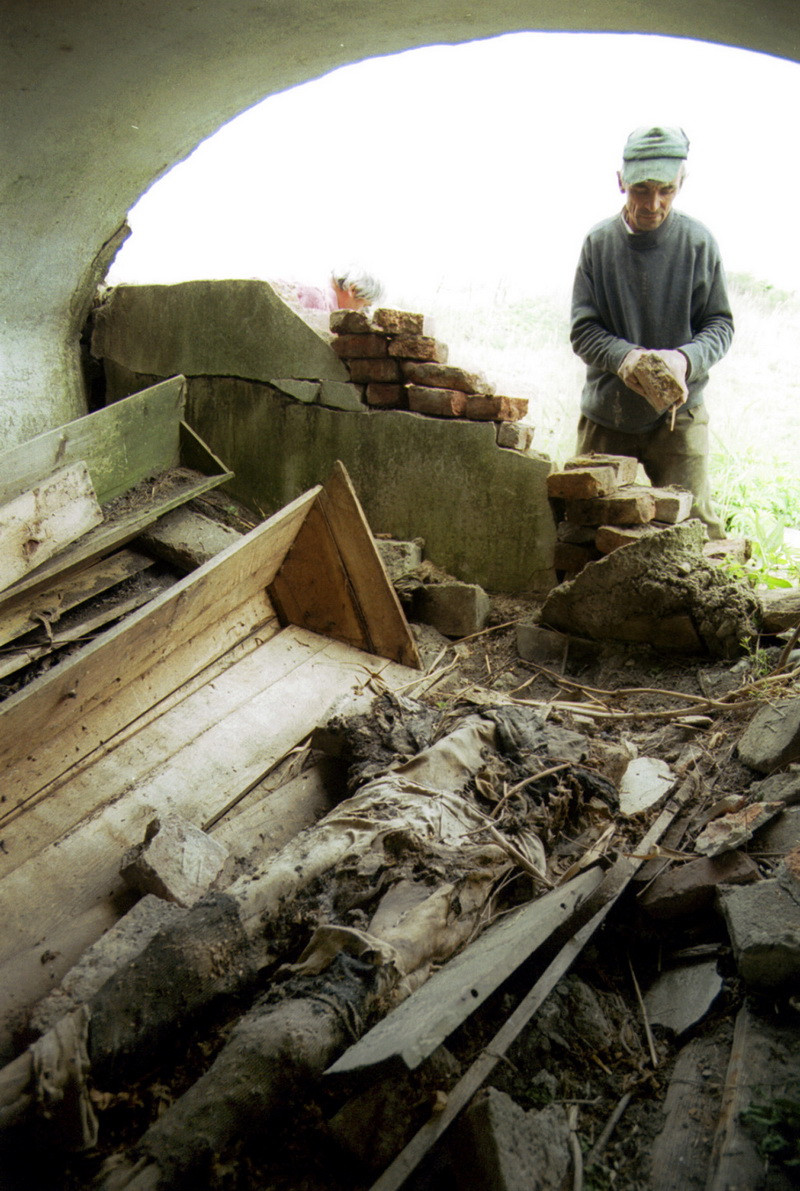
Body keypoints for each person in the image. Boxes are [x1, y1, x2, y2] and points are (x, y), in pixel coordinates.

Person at [570, 125, 734, 539]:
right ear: (621, 181)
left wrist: (684, 359)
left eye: (666, 190)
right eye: (641, 189)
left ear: (682, 183)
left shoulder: (699, 243)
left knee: (696, 533)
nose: (653, 204)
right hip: (609, 412)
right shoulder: (599, 243)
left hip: (679, 418)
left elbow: (720, 325)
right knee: (583, 527)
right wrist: (624, 358)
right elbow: (583, 330)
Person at [271, 267, 384, 315]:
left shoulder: (325, 302)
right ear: (353, 290)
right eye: (363, 305)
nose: (360, 312)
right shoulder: (314, 298)